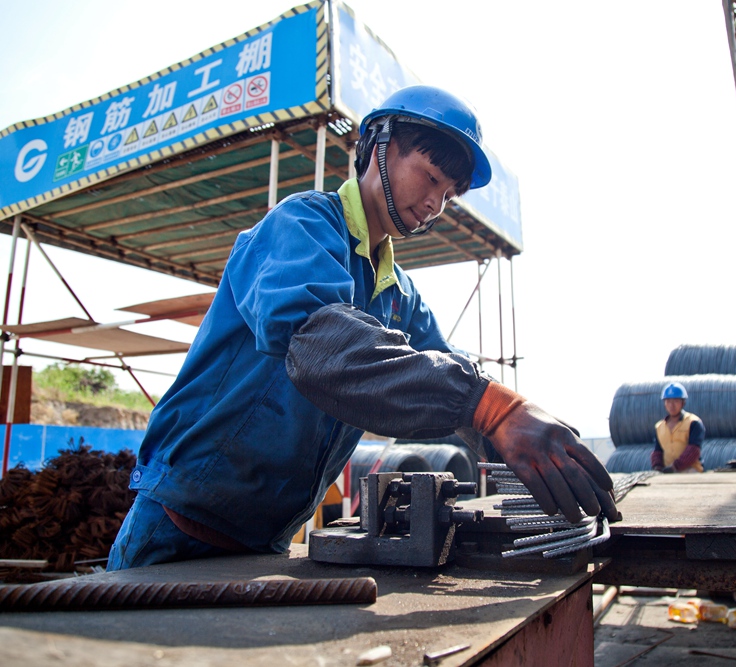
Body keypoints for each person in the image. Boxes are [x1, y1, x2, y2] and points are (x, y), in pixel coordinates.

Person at [107, 85, 617, 570]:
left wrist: (519, 440)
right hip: (177, 531)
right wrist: (490, 408)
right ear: (378, 146)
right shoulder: (300, 226)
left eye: (451, 193)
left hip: (266, 543)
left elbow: (447, 377)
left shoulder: (399, 296)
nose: (437, 204)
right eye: (432, 177)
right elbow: (320, 349)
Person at [651, 382, 704, 473]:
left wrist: (675, 466)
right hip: (667, 470)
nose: (672, 405)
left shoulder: (693, 422)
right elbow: (657, 451)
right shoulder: (659, 427)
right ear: (664, 403)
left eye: (676, 401)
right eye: (668, 401)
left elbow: (693, 450)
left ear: (683, 403)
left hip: (690, 470)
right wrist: (657, 466)